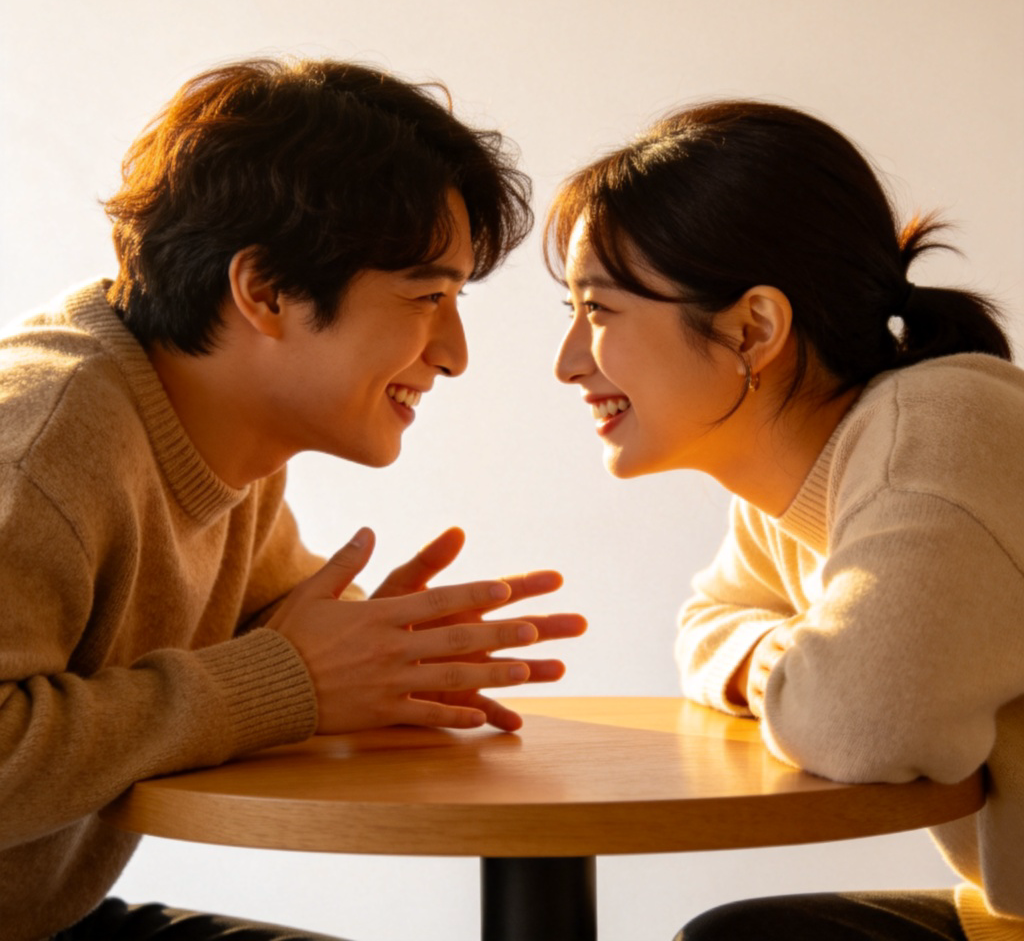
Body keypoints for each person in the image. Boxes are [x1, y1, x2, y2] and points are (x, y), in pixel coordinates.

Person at [0, 57, 586, 941]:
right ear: (265, 291)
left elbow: (273, 620)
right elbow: (272, 670)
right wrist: (287, 682)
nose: (456, 353)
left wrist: (390, 657)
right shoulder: (46, 441)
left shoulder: (216, 425)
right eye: (428, 296)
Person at [547, 100, 1023, 941]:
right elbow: (705, 625)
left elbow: (864, 723)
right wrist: (799, 654)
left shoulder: (933, 433)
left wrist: (817, 661)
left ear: (753, 328)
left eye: (600, 311)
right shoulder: (796, 480)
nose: (569, 364)